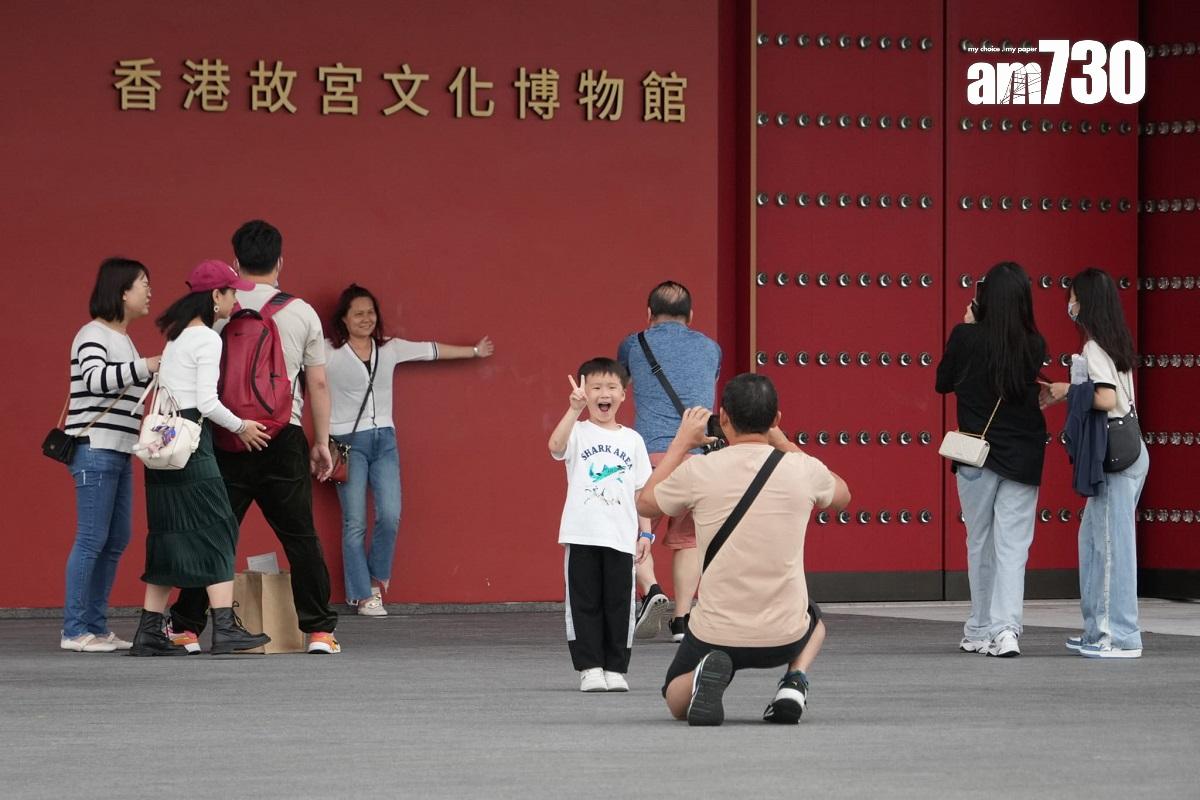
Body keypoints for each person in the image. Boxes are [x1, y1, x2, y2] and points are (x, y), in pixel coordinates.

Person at [168, 220, 342, 655]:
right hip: (282, 436)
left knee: (212, 533)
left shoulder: (218, 305)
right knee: (300, 536)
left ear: (235, 262)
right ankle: (319, 631)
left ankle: (185, 627)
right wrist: (321, 441)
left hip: (225, 435)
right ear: (280, 261)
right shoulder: (302, 312)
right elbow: (316, 384)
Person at [636, 373, 850, 725]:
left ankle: (705, 673)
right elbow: (842, 495)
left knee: (674, 695)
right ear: (776, 419)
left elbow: (646, 504)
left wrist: (679, 444)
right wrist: (784, 443)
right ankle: (794, 683)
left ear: (723, 419)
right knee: (815, 620)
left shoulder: (700, 469)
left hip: (716, 632)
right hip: (785, 634)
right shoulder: (802, 469)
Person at [130, 260, 274, 656]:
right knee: (219, 527)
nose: (235, 297)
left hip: (164, 446)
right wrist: (243, 425)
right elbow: (207, 402)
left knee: (167, 537)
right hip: (192, 444)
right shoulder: (208, 339)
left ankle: (148, 631)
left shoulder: (177, 337)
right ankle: (224, 628)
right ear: (215, 296)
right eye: (231, 292)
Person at [324, 283, 494, 615]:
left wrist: (473, 351)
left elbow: (430, 350)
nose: (366, 318)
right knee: (354, 521)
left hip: (385, 439)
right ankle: (362, 594)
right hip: (346, 443)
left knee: (390, 514)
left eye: (370, 312)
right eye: (358, 313)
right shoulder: (329, 354)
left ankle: (375, 578)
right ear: (343, 319)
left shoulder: (389, 349)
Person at [935, 262, 1048, 658]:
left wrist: (967, 324)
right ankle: (1006, 631)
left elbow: (942, 382)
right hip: (1023, 452)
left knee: (979, 541)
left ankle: (979, 627)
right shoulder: (1034, 344)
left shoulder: (966, 337)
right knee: (1013, 546)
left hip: (975, 455)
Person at [1040, 268, 1149, 658]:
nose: (1069, 304)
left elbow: (1104, 398)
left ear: (1084, 302)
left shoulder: (1094, 348)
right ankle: (1095, 631)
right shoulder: (1113, 341)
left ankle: (1120, 636)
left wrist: (1068, 390)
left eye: (1073, 297)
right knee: (1093, 539)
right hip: (1129, 449)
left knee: (1109, 548)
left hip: (1115, 455)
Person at [60, 258, 160, 653]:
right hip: (95, 449)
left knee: (116, 538)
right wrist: (145, 365)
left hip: (117, 452)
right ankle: (73, 630)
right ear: (122, 291)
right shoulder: (93, 334)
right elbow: (93, 378)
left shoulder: (124, 338)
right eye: (143, 283)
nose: (149, 291)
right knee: (91, 538)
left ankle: (96, 627)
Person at [617, 281, 721, 642]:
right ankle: (682, 620)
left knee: (631, 532)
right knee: (688, 541)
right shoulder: (711, 348)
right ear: (691, 316)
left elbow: (620, 383)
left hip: (649, 458)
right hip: (697, 458)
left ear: (648, 315)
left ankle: (651, 591)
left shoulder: (634, 344)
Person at [548, 359, 652, 692]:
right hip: (581, 533)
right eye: (595, 388)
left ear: (623, 394)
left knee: (620, 604)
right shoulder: (577, 431)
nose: (603, 394)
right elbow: (555, 447)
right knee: (584, 602)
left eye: (611, 388)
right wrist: (573, 410)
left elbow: (641, 492)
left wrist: (646, 532)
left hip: (621, 537)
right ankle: (590, 667)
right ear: (584, 393)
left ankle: (615, 668)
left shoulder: (633, 440)